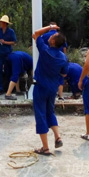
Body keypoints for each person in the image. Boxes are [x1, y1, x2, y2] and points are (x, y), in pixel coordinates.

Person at [31, 24, 70, 155]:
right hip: (53, 88)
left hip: (40, 86)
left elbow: (36, 33)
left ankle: (45, 148)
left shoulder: (45, 50)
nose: (50, 35)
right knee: (50, 112)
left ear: (53, 41)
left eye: (53, 35)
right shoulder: (63, 57)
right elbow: (64, 74)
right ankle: (58, 137)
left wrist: (50, 26)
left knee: (40, 114)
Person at [0, 15, 17, 94]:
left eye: (1, 22)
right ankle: (0, 88)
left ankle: (8, 87)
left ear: (5, 23)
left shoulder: (11, 32)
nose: (0, 23)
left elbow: (13, 42)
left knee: (8, 71)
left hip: (7, 54)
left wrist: (5, 42)